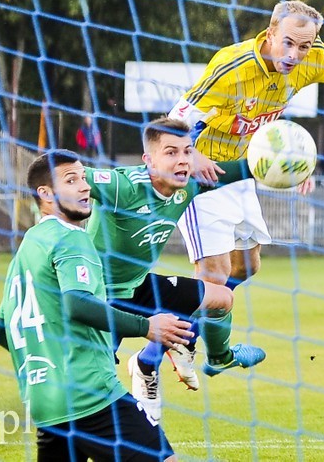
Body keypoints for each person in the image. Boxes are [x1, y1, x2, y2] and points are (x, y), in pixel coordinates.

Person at [168, 0, 324, 292]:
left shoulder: (315, 57)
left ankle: (195, 312)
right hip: (202, 171)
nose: (295, 55)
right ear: (270, 33)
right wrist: (191, 157)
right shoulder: (231, 66)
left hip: (242, 172)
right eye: (288, 43)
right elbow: (172, 123)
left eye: (304, 46)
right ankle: (166, 334)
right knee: (215, 274)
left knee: (247, 265)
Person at [0, 150, 194, 461]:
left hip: (44, 400)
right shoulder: (72, 238)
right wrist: (147, 326)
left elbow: (2, 330)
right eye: (71, 180)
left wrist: (49, 362)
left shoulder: (29, 246)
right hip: (90, 393)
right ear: (45, 194)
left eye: (84, 178)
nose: (85, 187)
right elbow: (78, 304)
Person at [84, 117, 266, 421]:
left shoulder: (188, 187)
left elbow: (242, 169)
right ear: (148, 160)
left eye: (187, 152)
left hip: (138, 288)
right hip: (98, 297)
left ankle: (220, 357)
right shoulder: (122, 186)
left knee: (221, 297)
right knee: (93, 393)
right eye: (171, 153)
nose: (182, 160)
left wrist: (286, 165)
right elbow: (62, 174)